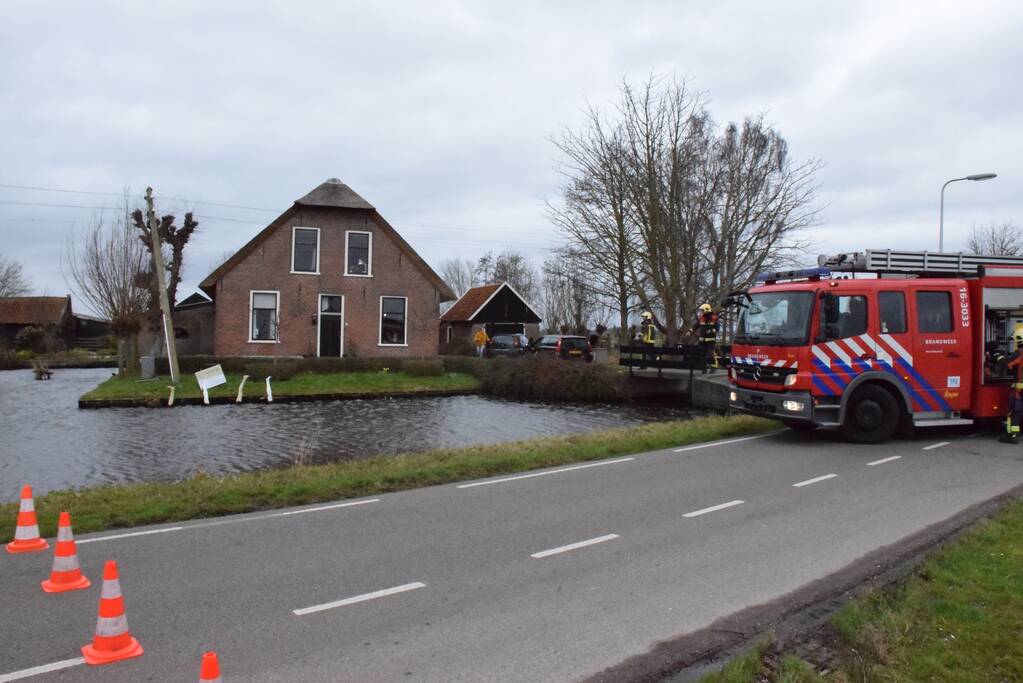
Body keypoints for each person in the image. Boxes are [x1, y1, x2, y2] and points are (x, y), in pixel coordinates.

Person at [992, 326, 1023, 444]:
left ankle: (1012, 435)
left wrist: (996, 355)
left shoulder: (1019, 353)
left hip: (1020, 390)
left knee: (1015, 412)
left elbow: (1008, 363)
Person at [693, 303, 719, 373]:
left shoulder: (714, 318)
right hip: (702, 341)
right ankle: (704, 369)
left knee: (710, 354)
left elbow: (717, 328)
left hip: (711, 341)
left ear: (707, 310)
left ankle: (713, 367)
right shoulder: (701, 319)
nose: (700, 313)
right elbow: (695, 326)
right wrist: (690, 331)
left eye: (702, 311)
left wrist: (711, 330)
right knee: (702, 354)